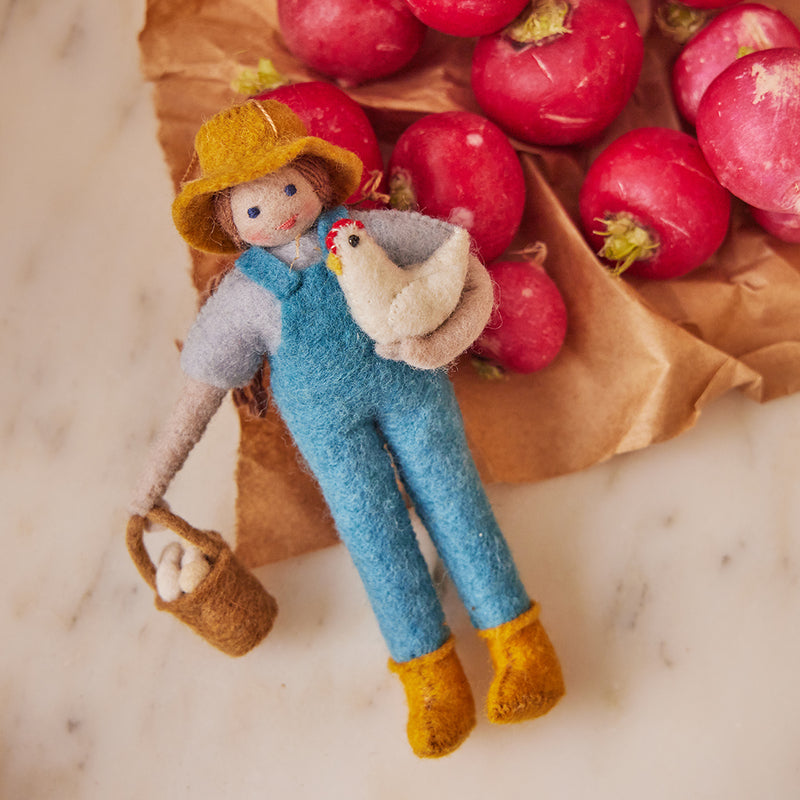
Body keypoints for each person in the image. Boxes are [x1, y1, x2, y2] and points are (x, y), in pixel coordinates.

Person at [131, 99, 564, 758]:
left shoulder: (369, 228)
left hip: (414, 390)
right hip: (330, 435)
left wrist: (443, 338)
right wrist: (154, 477)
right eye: (253, 207)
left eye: (286, 187)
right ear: (230, 224)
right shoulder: (243, 298)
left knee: (458, 503)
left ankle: (522, 648)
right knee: (373, 538)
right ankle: (431, 680)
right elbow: (202, 391)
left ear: (314, 180)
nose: (278, 210)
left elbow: (462, 261)